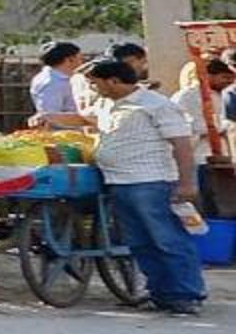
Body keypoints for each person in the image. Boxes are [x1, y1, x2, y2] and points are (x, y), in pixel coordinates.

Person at [38, 57, 206, 316]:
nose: (93, 89)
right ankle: (160, 294)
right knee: (140, 243)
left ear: (114, 81)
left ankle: (185, 295)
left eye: (95, 84)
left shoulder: (155, 105)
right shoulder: (106, 103)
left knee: (167, 240)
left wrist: (186, 183)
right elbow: (83, 118)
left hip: (150, 182)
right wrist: (47, 116)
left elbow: (181, 145)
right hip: (118, 183)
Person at [31, 41, 85, 120]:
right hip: (66, 127)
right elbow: (49, 116)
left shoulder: (64, 78)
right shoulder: (51, 83)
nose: (82, 63)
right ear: (70, 60)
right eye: (80, 59)